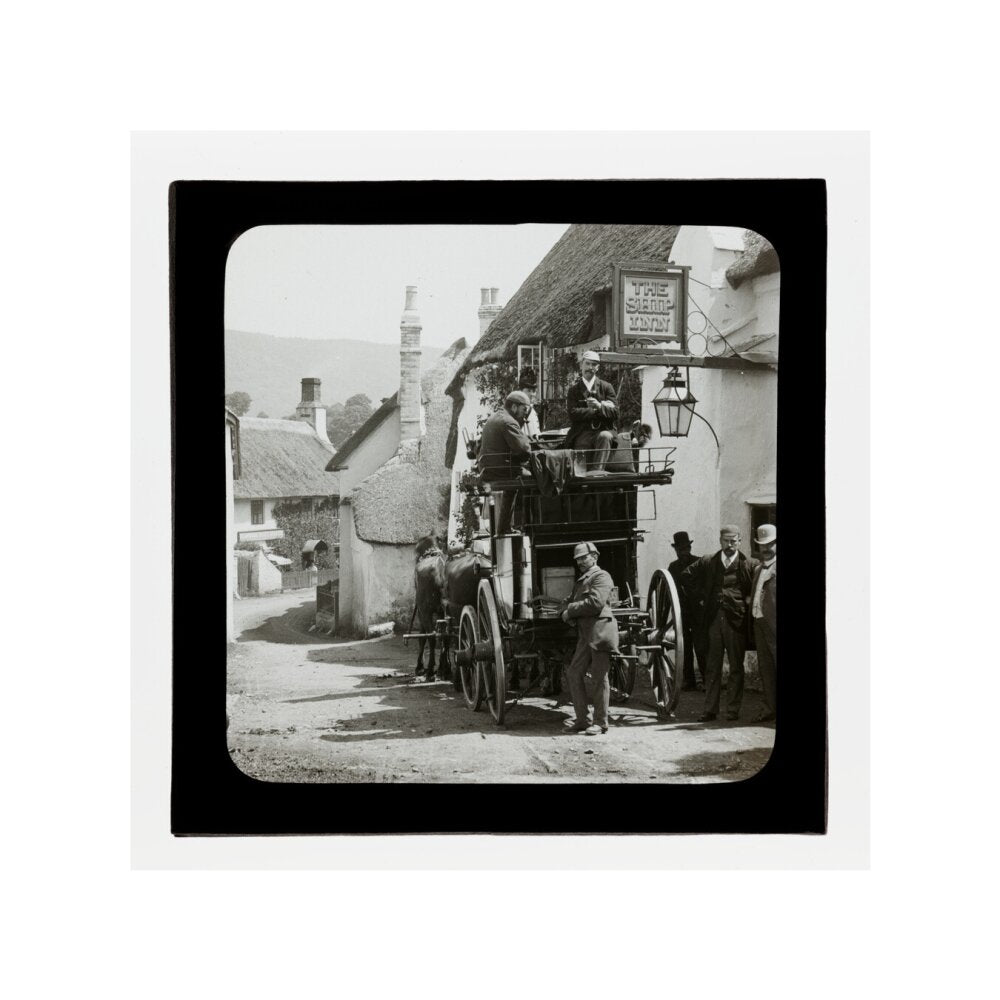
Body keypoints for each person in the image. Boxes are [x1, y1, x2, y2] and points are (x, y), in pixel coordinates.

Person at [682, 525, 755, 722]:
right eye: (726, 541)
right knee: (712, 666)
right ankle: (710, 709)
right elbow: (686, 575)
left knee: (736, 667)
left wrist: (747, 600)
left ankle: (732, 710)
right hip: (713, 620)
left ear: (740, 541)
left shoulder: (748, 564)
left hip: (736, 621)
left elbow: (756, 587)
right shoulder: (708, 561)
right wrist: (701, 597)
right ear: (720, 541)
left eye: (733, 541)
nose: (730, 545)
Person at [561, 541, 619, 735]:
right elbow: (572, 600)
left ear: (595, 556)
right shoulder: (582, 579)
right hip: (586, 634)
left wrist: (570, 610)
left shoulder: (602, 576)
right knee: (573, 673)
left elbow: (595, 603)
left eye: (584, 558)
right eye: (578, 560)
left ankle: (601, 722)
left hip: (600, 631)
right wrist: (564, 607)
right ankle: (582, 719)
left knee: (599, 677)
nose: (581, 562)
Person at [477, 390, 533, 534]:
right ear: (514, 407)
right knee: (537, 477)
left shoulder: (497, 416)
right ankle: (530, 526)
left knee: (518, 480)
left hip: (490, 467)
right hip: (500, 469)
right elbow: (524, 450)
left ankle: (504, 527)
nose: (525, 415)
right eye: (524, 410)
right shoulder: (508, 421)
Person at [563, 350, 618, 471]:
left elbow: (616, 413)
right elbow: (573, 414)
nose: (590, 367)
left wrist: (599, 406)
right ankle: (580, 478)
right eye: (587, 364)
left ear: (597, 368)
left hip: (602, 430)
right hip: (582, 433)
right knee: (579, 464)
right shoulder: (574, 390)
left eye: (593, 365)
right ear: (581, 365)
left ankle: (597, 473)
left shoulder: (606, 387)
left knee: (605, 436)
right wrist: (598, 410)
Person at [668, 530, 707, 691]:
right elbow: (668, 589)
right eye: (680, 549)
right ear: (676, 549)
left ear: (689, 548)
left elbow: (706, 587)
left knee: (701, 647)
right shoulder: (673, 567)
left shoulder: (699, 563)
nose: (683, 552)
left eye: (685, 548)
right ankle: (688, 680)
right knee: (683, 647)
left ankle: (707, 679)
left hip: (698, 613)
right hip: (681, 614)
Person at [749, 524, 777, 723]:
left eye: (770, 544)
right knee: (766, 669)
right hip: (759, 624)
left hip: (775, 626)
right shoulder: (758, 569)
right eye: (762, 545)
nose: (766, 549)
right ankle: (769, 708)